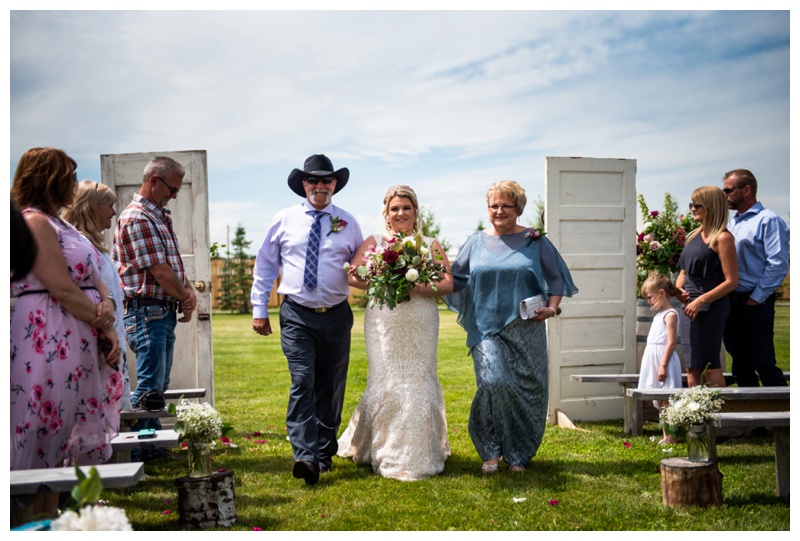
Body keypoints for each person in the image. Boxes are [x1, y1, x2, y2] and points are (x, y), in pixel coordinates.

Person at [10, 147, 123, 515]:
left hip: (78, 333)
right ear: (50, 179)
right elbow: (59, 286)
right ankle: (28, 516)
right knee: (42, 421)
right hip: (47, 335)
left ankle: (52, 512)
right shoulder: (32, 221)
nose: (75, 184)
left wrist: (106, 302)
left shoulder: (62, 223)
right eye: (70, 176)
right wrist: (101, 319)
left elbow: (93, 273)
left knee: (63, 427)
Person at [446, 180, 578, 474]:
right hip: (486, 329)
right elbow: (455, 279)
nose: (499, 210)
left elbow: (556, 280)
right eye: (494, 205)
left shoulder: (535, 241)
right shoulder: (474, 242)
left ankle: (518, 454)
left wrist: (553, 308)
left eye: (506, 205)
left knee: (527, 389)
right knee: (494, 383)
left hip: (527, 326)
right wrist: (423, 273)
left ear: (518, 208)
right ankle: (490, 449)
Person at [250, 154, 363, 485]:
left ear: (334, 186)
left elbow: (360, 266)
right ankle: (305, 455)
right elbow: (265, 265)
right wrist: (259, 309)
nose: (320, 186)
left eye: (327, 180)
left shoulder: (348, 222)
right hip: (297, 314)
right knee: (303, 381)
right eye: (313, 180)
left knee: (330, 385)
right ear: (303, 185)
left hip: (337, 316)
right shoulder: (284, 220)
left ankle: (323, 454)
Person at [336, 185, 453, 481]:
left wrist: (415, 286)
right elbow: (352, 274)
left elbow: (448, 282)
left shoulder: (429, 244)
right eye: (395, 209)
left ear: (416, 212)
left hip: (420, 319)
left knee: (418, 378)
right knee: (386, 378)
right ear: (386, 214)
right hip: (384, 320)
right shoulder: (375, 242)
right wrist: (382, 279)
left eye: (406, 208)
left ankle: (420, 451)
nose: (401, 213)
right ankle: (379, 447)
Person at [113, 156, 197, 440]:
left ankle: (150, 443)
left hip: (158, 311)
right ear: (153, 181)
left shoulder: (158, 216)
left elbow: (171, 266)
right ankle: (136, 447)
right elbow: (159, 271)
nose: (174, 195)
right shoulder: (138, 217)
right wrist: (185, 296)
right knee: (149, 386)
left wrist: (187, 292)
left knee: (158, 385)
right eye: (172, 189)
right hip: (146, 311)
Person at [63, 180, 133, 409]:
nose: (114, 212)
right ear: (91, 208)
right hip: (96, 341)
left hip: (110, 339)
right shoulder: (80, 245)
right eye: (109, 206)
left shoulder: (95, 244)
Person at [721, 169, 789, 387]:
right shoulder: (732, 223)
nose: (725, 195)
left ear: (747, 189)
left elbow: (778, 264)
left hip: (754, 301)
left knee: (764, 361)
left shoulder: (769, 220)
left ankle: (782, 417)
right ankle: (751, 419)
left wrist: (756, 298)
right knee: (740, 363)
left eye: (728, 190)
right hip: (732, 301)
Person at [676, 186, 738, 388]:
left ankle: (720, 416)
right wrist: (678, 292)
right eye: (691, 204)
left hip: (710, 307)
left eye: (697, 204)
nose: (692, 209)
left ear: (710, 206)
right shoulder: (693, 236)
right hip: (688, 306)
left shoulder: (723, 238)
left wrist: (701, 300)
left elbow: (731, 281)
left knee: (710, 365)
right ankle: (694, 414)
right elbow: (683, 272)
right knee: (692, 365)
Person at [637, 272, 682, 444]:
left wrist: (663, 365)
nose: (648, 301)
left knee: (668, 399)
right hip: (654, 359)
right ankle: (666, 435)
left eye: (650, 297)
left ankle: (672, 436)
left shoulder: (670, 315)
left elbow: (670, 343)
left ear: (662, 293)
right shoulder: (658, 315)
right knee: (661, 401)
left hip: (664, 360)